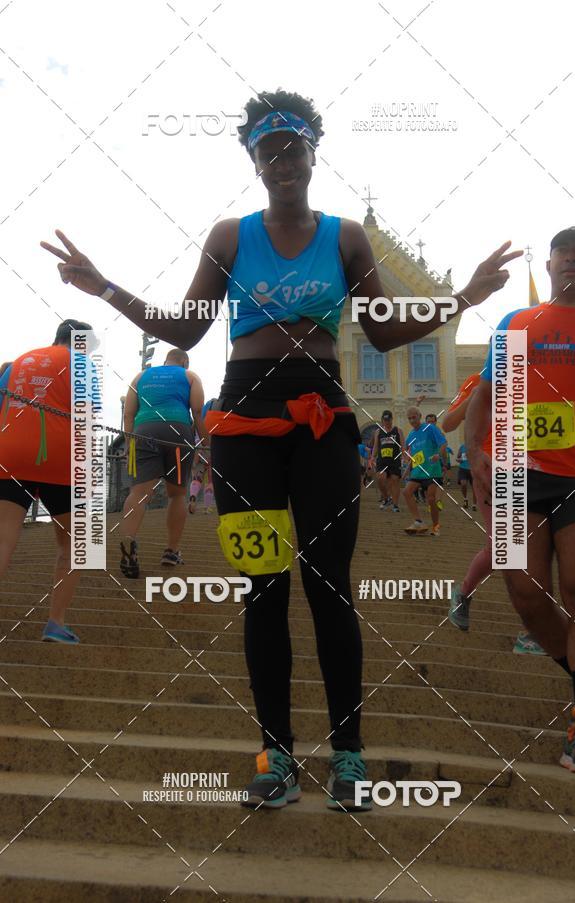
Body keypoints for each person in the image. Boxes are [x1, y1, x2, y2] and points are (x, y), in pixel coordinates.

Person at [41, 87, 520, 809]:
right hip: (242, 421)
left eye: (293, 147)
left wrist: (464, 296)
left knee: (330, 586)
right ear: (254, 160)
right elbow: (186, 324)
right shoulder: (231, 235)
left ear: (312, 153)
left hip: (324, 415)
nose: (282, 160)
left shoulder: (347, 235)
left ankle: (349, 755)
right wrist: (102, 284)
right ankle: (277, 756)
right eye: (268, 150)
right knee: (263, 590)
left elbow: (385, 328)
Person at [467, 226, 575, 774]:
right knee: (524, 592)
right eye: (563, 256)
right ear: (549, 266)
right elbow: (487, 391)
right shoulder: (518, 324)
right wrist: (476, 453)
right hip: (516, 477)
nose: (572, 263)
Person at [0, 319, 94, 643]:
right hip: (60, 455)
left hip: (10, 449)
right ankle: (56, 623)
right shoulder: (82, 363)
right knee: (76, 541)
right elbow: (88, 418)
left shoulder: (20, 359)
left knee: (3, 538)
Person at [442, 372, 544, 655]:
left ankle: (464, 595)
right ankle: (532, 629)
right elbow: (448, 422)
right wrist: (477, 396)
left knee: (521, 547)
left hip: (530, 470)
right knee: (506, 549)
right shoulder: (475, 380)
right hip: (489, 471)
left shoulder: (534, 378)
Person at [118, 349, 205, 577]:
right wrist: (207, 442)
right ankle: (171, 551)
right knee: (176, 494)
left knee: (138, 493)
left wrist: (129, 443)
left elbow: (128, 413)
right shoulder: (189, 376)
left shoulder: (140, 377)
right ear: (184, 362)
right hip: (178, 432)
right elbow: (197, 410)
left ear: (165, 360)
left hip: (144, 430)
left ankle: (129, 543)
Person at [403, 407, 447, 535]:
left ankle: (436, 527)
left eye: (414, 417)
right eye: (409, 418)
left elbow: (443, 444)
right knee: (406, 492)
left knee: (431, 499)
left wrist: (438, 455)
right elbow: (407, 450)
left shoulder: (430, 428)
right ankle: (418, 521)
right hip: (417, 471)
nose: (412, 420)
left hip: (432, 470)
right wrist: (406, 457)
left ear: (420, 416)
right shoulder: (411, 435)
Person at [372, 410, 404, 512]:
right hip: (382, 460)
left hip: (395, 460)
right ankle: (386, 499)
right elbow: (376, 446)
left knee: (395, 480)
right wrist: (372, 457)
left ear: (392, 419)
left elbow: (403, 446)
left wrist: (404, 456)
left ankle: (395, 505)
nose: (387, 422)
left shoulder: (398, 430)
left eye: (389, 420)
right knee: (380, 478)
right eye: (385, 420)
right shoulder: (378, 432)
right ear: (382, 420)